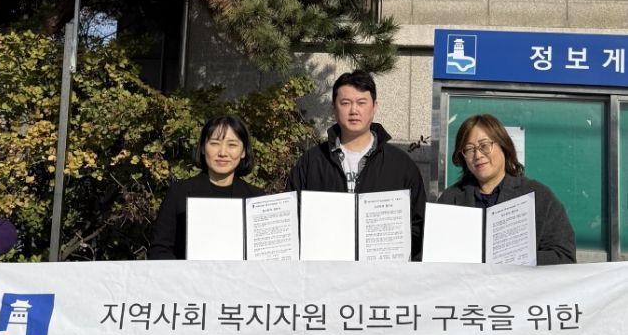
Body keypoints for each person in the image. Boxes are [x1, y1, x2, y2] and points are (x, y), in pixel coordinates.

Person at [286, 69, 427, 260]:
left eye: (361, 102)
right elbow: (291, 220)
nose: (354, 110)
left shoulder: (401, 166)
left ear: (374, 107)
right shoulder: (311, 163)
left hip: (382, 271)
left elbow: (418, 225)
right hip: (325, 269)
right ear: (333, 108)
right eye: (345, 103)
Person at [438, 113, 576, 265]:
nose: (478, 155)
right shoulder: (450, 199)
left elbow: (565, 257)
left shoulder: (537, 196)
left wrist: (519, 259)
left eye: (484, 146)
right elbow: (430, 256)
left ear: (503, 146)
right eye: (469, 149)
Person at [149, 115, 264, 259]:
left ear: (243, 152)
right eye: (214, 143)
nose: (222, 153)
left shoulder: (256, 199)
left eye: (232, 145)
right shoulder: (179, 193)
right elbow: (159, 249)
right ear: (203, 148)